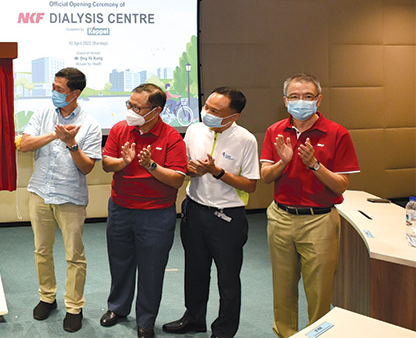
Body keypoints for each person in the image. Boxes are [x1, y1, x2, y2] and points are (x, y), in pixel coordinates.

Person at [260, 74, 358, 338]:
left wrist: (314, 164)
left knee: (319, 290)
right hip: (281, 217)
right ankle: (285, 334)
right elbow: (266, 177)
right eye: (294, 97)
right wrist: (284, 161)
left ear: (318, 99)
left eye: (307, 96)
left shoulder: (337, 133)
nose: (300, 102)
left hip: (319, 220)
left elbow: (340, 185)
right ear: (285, 100)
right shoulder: (275, 131)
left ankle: (317, 334)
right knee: (283, 287)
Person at [161, 87, 259, 338]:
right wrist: (192, 170)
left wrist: (217, 172)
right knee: (194, 270)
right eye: (206, 107)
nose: (207, 113)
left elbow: (251, 184)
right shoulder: (194, 129)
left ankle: (224, 330)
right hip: (194, 210)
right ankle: (193, 319)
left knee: (227, 278)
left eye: (215, 111)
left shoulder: (246, 139)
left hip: (227, 217)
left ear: (233, 117)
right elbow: (183, 165)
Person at [18, 67, 102, 332]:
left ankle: (74, 306)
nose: (53, 92)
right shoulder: (43, 113)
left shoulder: (90, 124)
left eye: (59, 89)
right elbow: (24, 144)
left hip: (71, 197)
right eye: (53, 87)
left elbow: (87, 167)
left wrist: (71, 143)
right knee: (41, 250)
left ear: (75, 93)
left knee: (74, 256)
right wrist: (55, 134)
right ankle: (47, 297)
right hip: (40, 192)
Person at [100, 83, 187, 338]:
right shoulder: (119, 129)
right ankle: (117, 308)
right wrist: (123, 162)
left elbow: (176, 179)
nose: (131, 110)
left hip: (156, 214)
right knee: (120, 263)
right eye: (129, 104)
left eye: (138, 107)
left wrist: (151, 166)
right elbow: (106, 164)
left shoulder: (171, 137)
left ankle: (146, 321)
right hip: (120, 209)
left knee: (151, 269)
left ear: (156, 110)